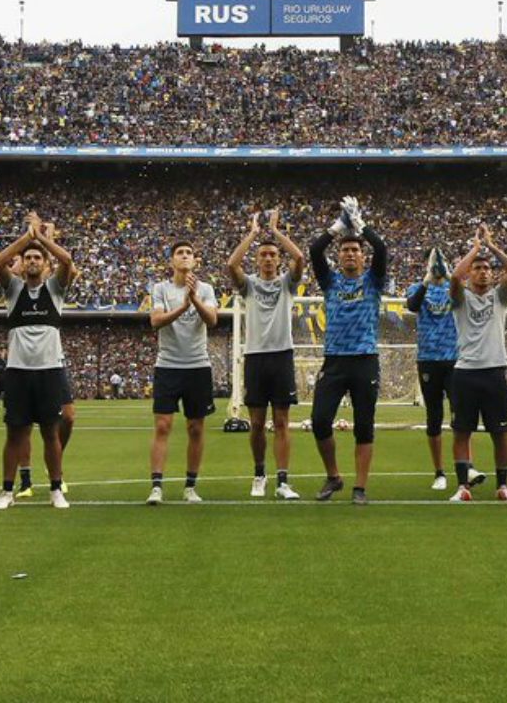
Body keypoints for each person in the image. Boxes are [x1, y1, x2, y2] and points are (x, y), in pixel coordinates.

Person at [0, 213, 77, 510]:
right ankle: (6, 491)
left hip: (49, 371)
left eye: (37, 258)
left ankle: (55, 489)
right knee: (15, 432)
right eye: (28, 258)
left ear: (44, 263)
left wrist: (42, 239)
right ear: (23, 262)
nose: (32, 261)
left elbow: (66, 262)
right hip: (18, 372)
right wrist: (27, 238)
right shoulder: (14, 290)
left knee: (50, 432)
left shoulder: (54, 289)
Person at [305, 197, 386, 505]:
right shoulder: (330, 281)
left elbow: (382, 249)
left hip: (365, 360)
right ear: (338, 256)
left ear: (362, 258)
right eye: (345, 249)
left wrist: (360, 225)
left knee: (364, 425)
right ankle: (334, 476)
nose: (351, 253)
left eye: (355, 250)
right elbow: (314, 251)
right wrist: (338, 227)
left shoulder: (373, 280)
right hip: (335, 360)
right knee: (320, 420)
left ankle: (360, 488)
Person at [228, 208, 307, 501]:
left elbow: (299, 258)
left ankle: (283, 480)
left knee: (283, 421)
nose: (269, 259)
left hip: (282, 355)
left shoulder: (287, 282)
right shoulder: (249, 285)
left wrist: (275, 233)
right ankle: (259, 473)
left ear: (278, 259)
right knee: (258, 423)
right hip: (256, 357)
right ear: (257, 259)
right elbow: (231, 264)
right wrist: (253, 234)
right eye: (264, 255)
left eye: (273, 255)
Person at [448, 226, 507, 503]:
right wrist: (476, 249)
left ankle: (502, 486)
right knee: (462, 432)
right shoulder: (461, 298)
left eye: (487, 269)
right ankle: (463, 486)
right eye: (477, 268)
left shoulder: (499, 297)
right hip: (465, 372)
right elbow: (455, 276)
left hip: (494, 370)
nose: (482, 272)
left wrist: (492, 246)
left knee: (500, 432)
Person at [146, 239, 219, 505]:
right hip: (167, 365)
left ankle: (190, 486)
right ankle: (156, 486)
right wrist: (183, 306)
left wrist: (195, 300)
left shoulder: (207, 289)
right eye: (180, 253)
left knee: (196, 428)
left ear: (195, 260)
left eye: (189, 253)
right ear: (172, 261)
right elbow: (155, 321)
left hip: (198, 366)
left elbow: (212, 320)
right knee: (163, 426)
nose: (185, 256)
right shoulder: (160, 289)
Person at [408, 248, 474, 492]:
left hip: (454, 359)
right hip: (428, 359)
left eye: (440, 260)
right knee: (434, 418)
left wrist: (448, 277)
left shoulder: (453, 288)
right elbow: (412, 305)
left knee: (461, 417)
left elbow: (466, 299)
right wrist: (427, 280)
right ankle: (439, 472)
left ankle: (468, 466)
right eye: (432, 261)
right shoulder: (417, 287)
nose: (436, 265)